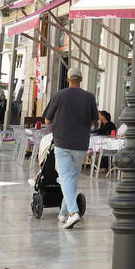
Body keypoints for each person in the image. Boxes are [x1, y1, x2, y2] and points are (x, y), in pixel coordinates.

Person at [43, 68, 97, 229]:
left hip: (62, 142)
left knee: (65, 177)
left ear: (68, 80)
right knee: (72, 179)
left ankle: (73, 213)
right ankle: (63, 213)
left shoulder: (59, 95)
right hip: (81, 144)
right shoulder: (89, 97)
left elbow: (47, 120)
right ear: (81, 79)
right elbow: (94, 121)